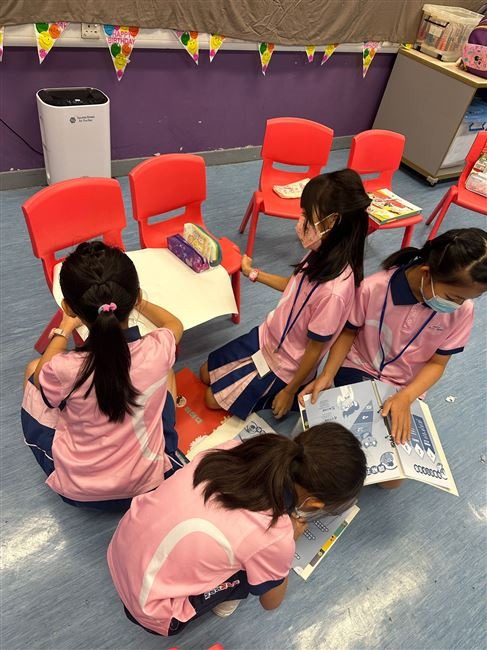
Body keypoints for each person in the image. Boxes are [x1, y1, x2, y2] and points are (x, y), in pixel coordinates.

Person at [107, 422, 366, 637]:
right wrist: (290, 540)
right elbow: (271, 602)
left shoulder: (234, 449)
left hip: (120, 545)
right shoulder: (274, 536)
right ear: (313, 503)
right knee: (253, 574)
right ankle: (221, 600)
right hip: (150, 609)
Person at [300, 228, 487, 487]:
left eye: (466, 299)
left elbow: (437, 363)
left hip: (405, 387)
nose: (458, 305)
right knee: (328, 449)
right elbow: (348, 332)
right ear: (426, 273)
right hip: (359, 366)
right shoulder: (375, 287)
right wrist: (327, 374)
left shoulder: (462, 311)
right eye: (454, 297)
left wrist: (406, 396)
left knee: (391, 481)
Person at [21, 241, 184, 510]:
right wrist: (138, 301)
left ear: (68, 308)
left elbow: (40, 376)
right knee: (166, 371)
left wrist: (64, 329)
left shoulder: (63, 369)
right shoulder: (158, 348)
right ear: (135, 298)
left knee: (33, 370)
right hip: (150, 481)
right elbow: (174, 324)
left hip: (80, 491)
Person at [200, 169, 371, 420]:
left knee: (210, 399)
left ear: (332, 222)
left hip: (284, 367)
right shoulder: (321, 252)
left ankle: (282, 395)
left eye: (307, 216)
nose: (301, 222)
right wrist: (253, 273)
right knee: (205, 373)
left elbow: (314, 350)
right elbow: (294, 286)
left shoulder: (335, 292)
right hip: (266, 337)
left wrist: (290, 390)